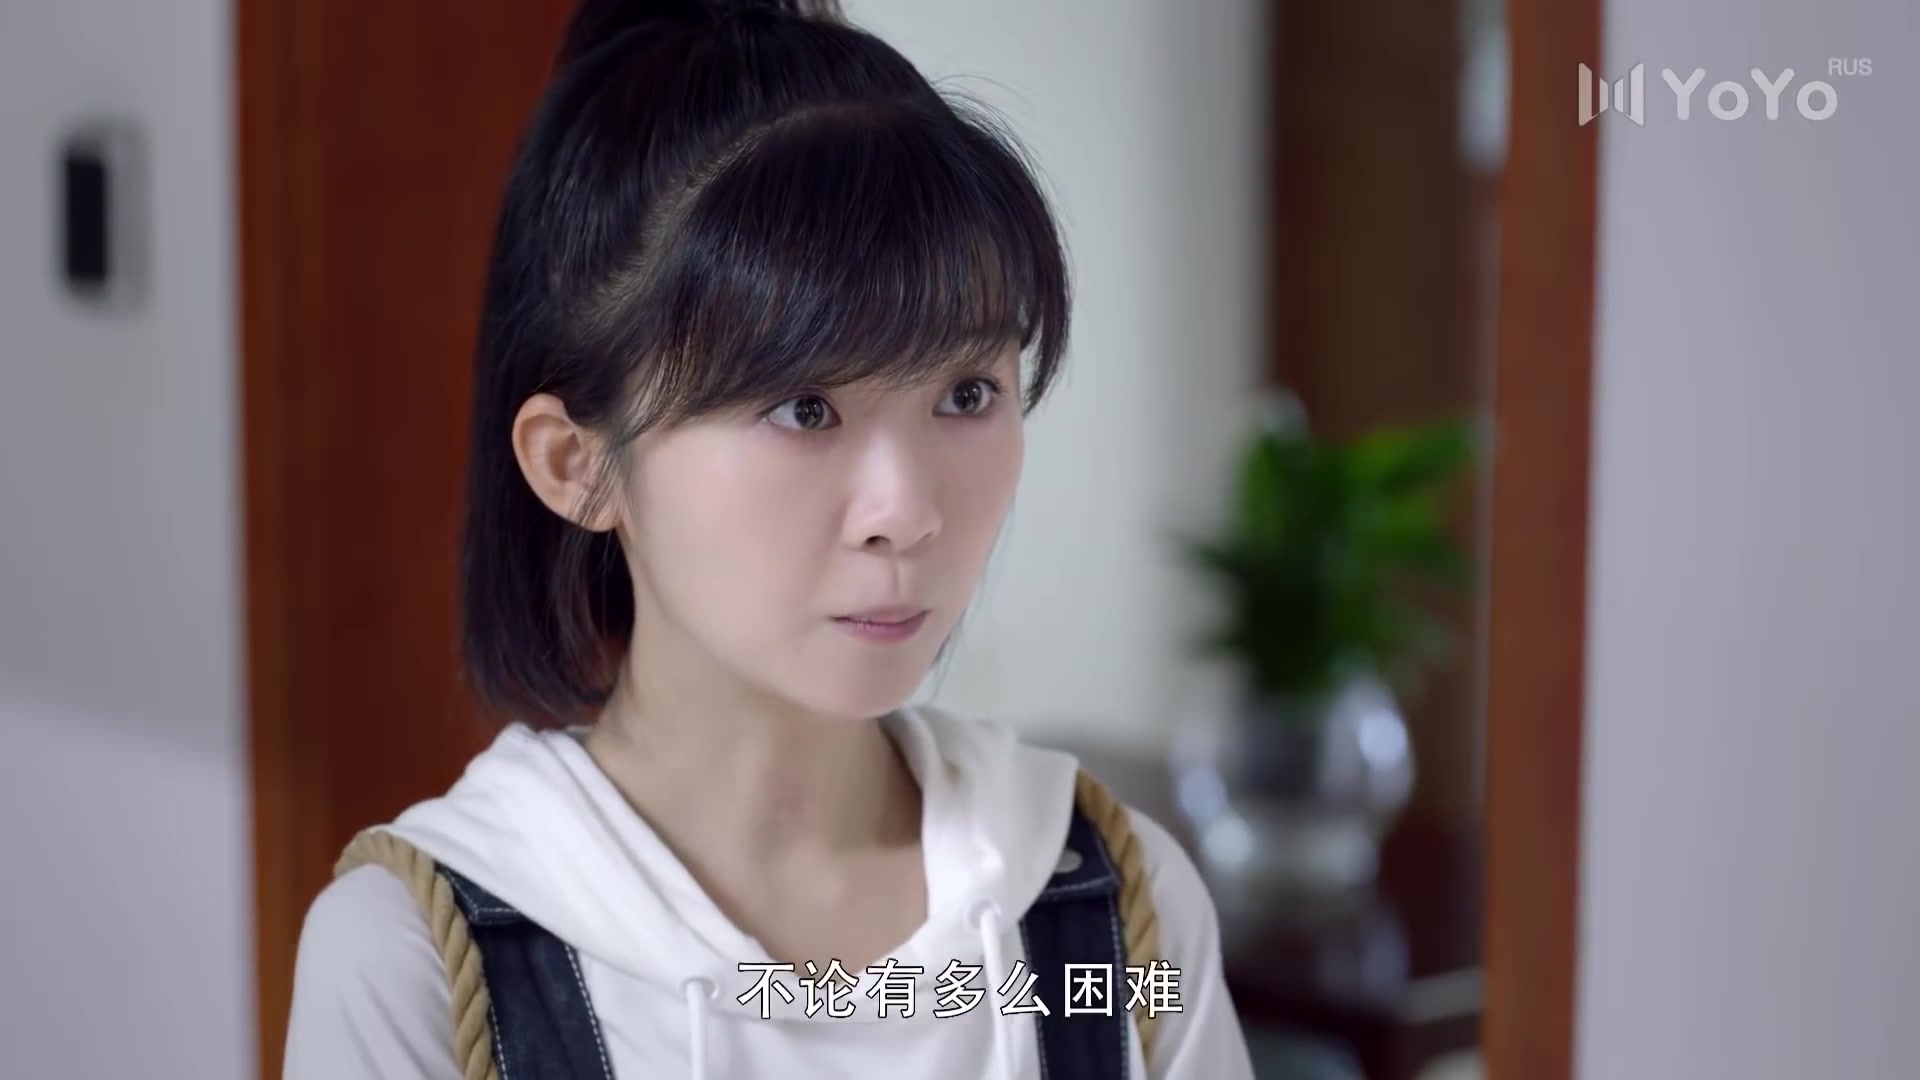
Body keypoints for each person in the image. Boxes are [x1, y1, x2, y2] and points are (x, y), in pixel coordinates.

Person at [282, 1, 1256, 1078]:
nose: (905, 511)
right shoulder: (420, 958)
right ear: (577, 465)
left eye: (967, 393)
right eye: (804, 409)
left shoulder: (1110, 916)